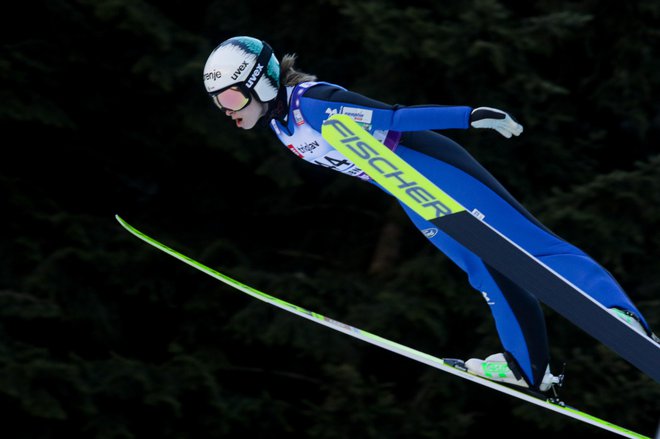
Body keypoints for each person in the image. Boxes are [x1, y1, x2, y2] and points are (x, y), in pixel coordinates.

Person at [202, 36, 658, 393]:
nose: (229, 113)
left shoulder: (310, 102)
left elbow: (392, 118)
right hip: (406, 189)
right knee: (484, 269)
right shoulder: (282, 126)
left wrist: (469, 115)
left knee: (529, 243)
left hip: (432, 168)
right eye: (221, 105)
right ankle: (528, 368)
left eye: (233, 100)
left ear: (260, 82)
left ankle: (620, 313)